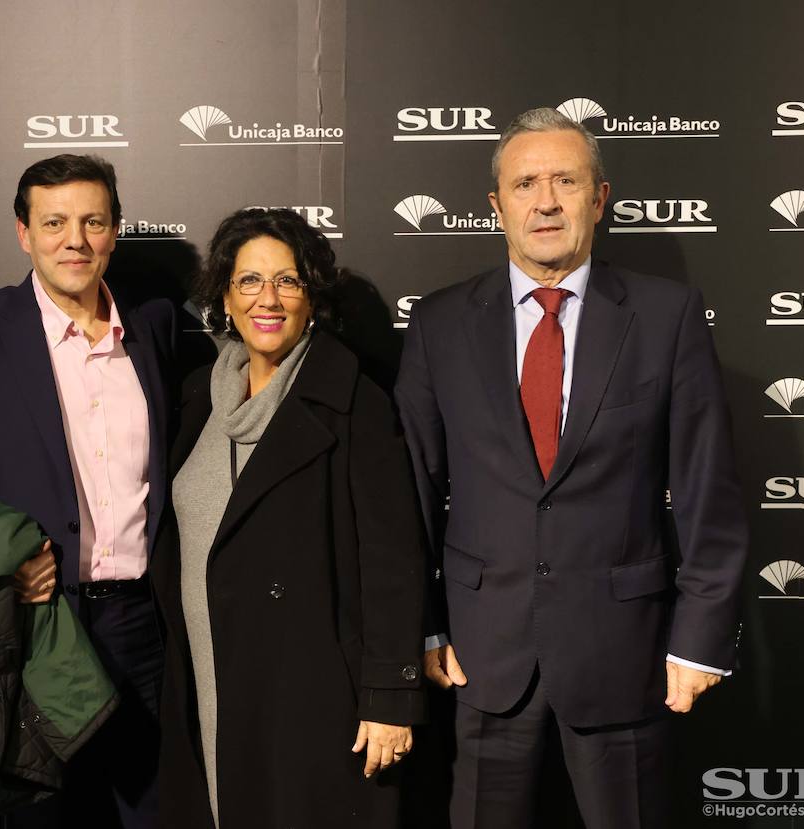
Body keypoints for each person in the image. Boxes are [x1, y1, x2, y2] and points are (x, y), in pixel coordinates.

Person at [394, 108, 748, 829]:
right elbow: (411, 496)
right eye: (525, 183)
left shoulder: (665, 315)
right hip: (484, 655)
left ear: (599, 196)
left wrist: (701, 638)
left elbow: (711, 491)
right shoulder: (439, 324)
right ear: (496, 206)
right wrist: (422, 627)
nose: (545, 200)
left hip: (626, 655)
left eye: (565, 180)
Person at [0, 154, 175, 829]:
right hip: (33, 630)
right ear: (24, 232)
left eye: (92, 221)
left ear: (114, 231)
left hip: (141, 627)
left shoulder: (155, 325)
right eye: (54, 222)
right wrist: (0, 559)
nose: (74, 239)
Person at [152, 208, 427, 829]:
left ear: (313, 295)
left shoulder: (354, 400)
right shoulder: (198, 395)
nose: (267, 299)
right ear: (224, 294)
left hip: (309, 686)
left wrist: (391, 697)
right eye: (249, 281)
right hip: (205, 673)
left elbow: (394, 561)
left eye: (289, 281)